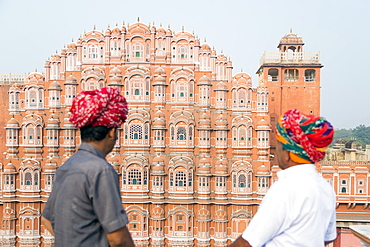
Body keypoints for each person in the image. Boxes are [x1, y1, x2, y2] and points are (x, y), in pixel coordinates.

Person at [42, 87, 135, 247]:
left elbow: (47, 220)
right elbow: (118, 239)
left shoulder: (66, 167)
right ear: (112, 132)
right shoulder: (101, 170)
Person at [231, 109, 337, 247]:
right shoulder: (325, 187)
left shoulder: (286, 189)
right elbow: (328, 238)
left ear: (287, 154)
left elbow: (247, 243)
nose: (276, 153)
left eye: (278, 147)